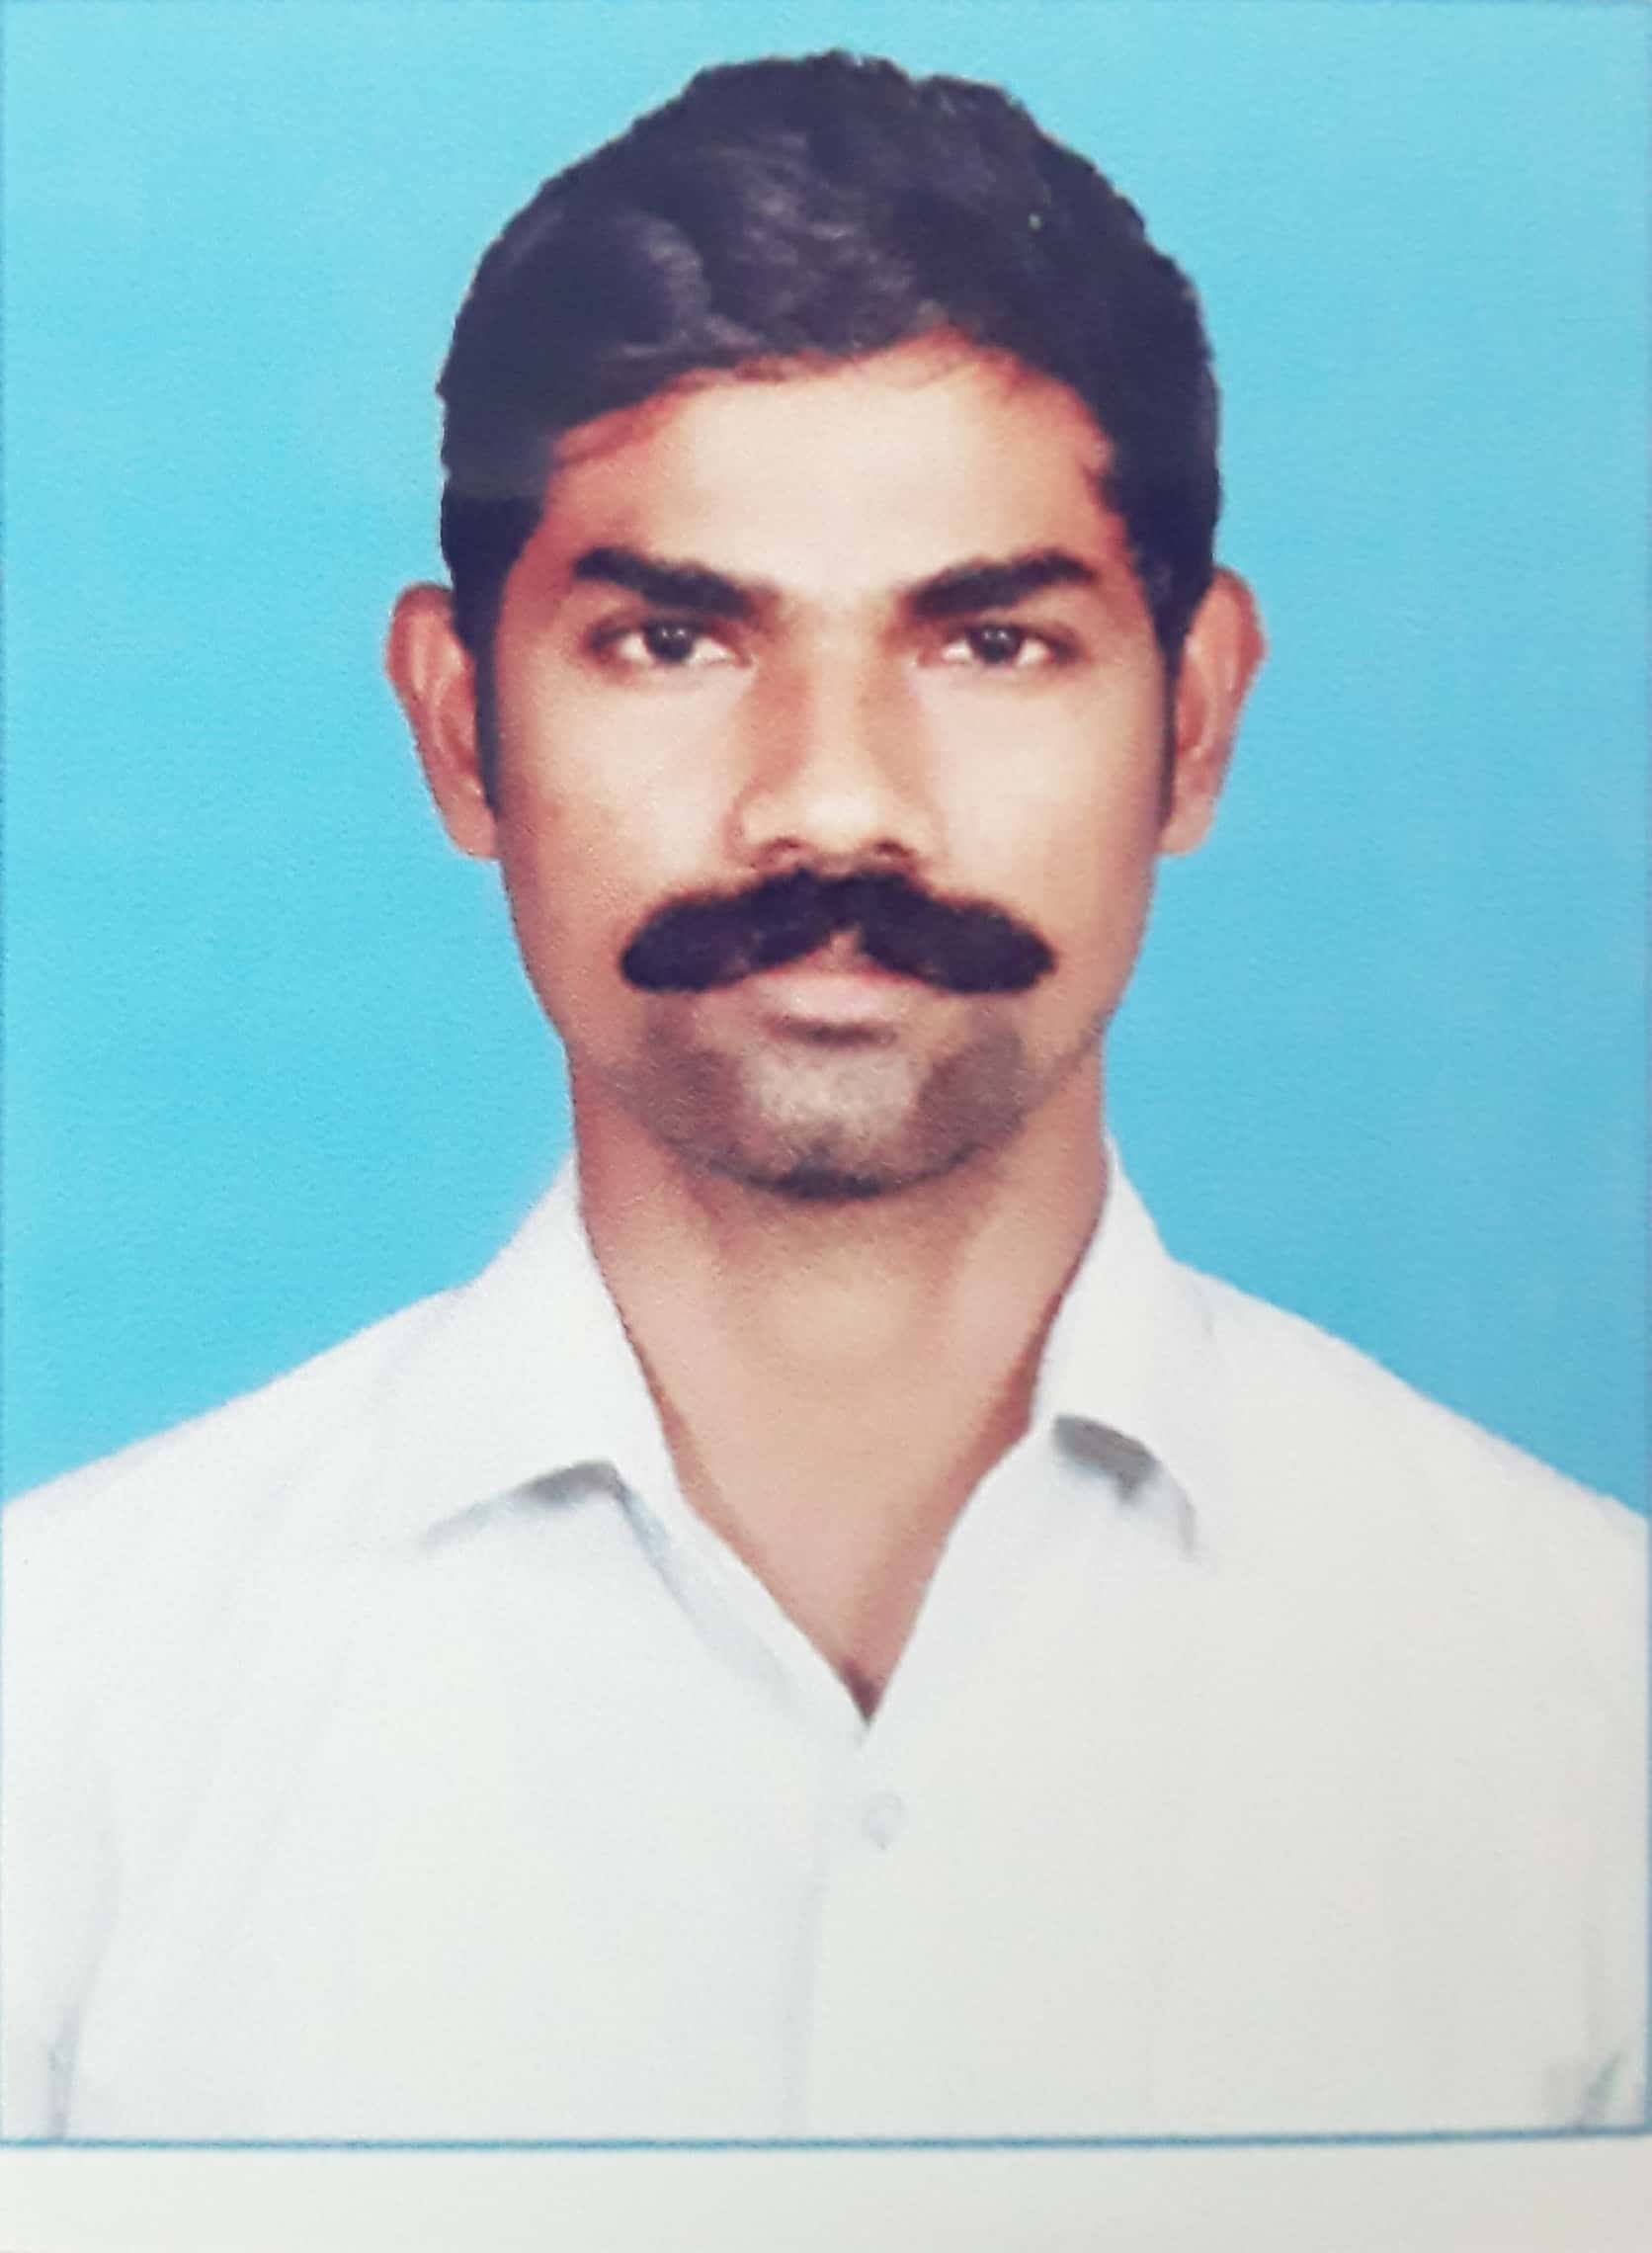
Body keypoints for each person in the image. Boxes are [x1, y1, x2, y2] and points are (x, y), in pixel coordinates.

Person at [2, 51, 1643, 2145]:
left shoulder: (1590, 1720)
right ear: (459, 728)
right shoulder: (61, 1721)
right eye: (673, 643)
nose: (833, 803)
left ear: (1197, 719)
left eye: (992, 644)